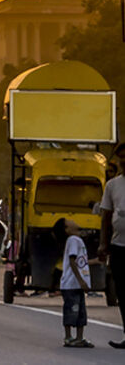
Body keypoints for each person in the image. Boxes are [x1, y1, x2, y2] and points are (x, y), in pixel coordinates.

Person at [98, 147, 125, 348]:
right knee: (122, 293)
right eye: (121, 158)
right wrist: (103, 244)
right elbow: (106, 217)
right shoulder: (113, 185)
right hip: (119, 246)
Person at [52, 217, 93, 348]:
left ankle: (78, 338)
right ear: (67, 229)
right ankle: (69, 337)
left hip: (75, 285)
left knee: (80, 311)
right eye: (69, 221)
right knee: (72, 310)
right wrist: (81, 281)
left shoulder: (75, 240)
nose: (73, 220)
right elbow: (72, 261)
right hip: (72, 284)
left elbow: (81, 262)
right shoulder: (74, 240)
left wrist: (96, 261)